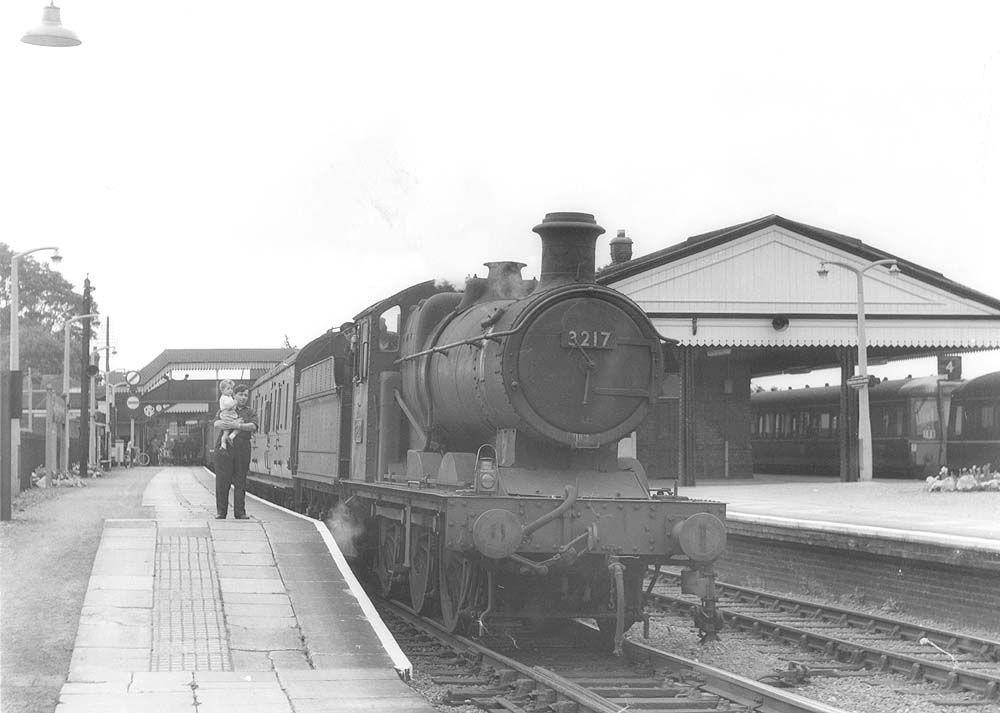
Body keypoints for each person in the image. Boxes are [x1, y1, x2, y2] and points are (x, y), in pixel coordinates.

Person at [213, 384, 258, 519]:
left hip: (242, 447)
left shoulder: (250, 411)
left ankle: (240, 512)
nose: (243, 398)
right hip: (225, 448)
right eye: (241, 395)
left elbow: (253, 426)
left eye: (246, 395)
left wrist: (237, 426)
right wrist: (227, 424)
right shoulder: (225, 408)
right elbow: (216, 423)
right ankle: (221, 511)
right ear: (234, 395)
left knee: (240, 480)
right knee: (222, 480)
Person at [216, 379, 242, 450]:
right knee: (239, 425)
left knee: (225, 432)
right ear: (222, 390)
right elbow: (228, 406)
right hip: (228, 414)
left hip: (228, 414)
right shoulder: (224, 398)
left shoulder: (229, 397)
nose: (230, 390)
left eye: (231, 388)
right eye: (228, 388)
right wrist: (235, 402)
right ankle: (231, 437)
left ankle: (223, 445)